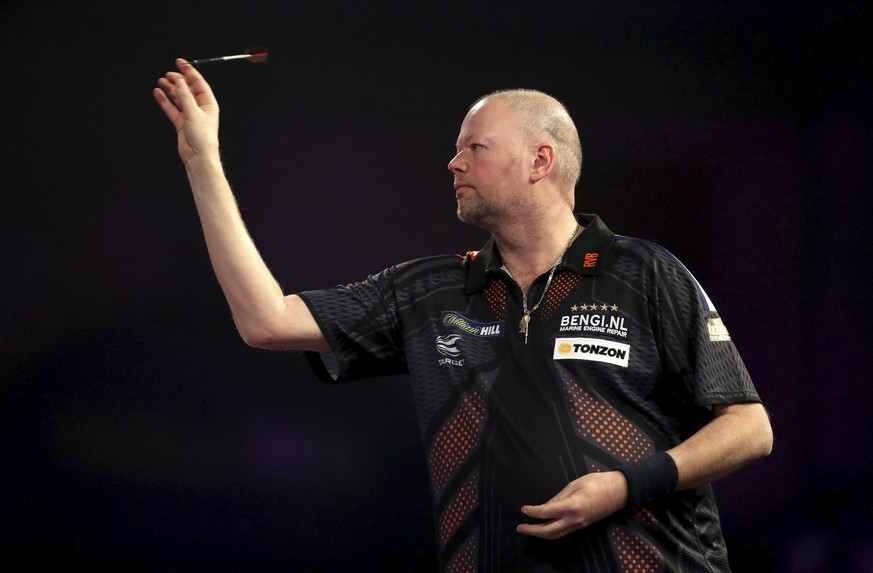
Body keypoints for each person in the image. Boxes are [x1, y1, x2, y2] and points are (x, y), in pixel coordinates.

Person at [154, 59, 773, 572]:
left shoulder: (645, 272)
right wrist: (202, 161)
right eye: (456, 151)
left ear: (540, 161)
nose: (454, 164)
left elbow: (750, 428)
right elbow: (265, 321)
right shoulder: (431, 290)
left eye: (475, 148)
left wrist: (626, 484)